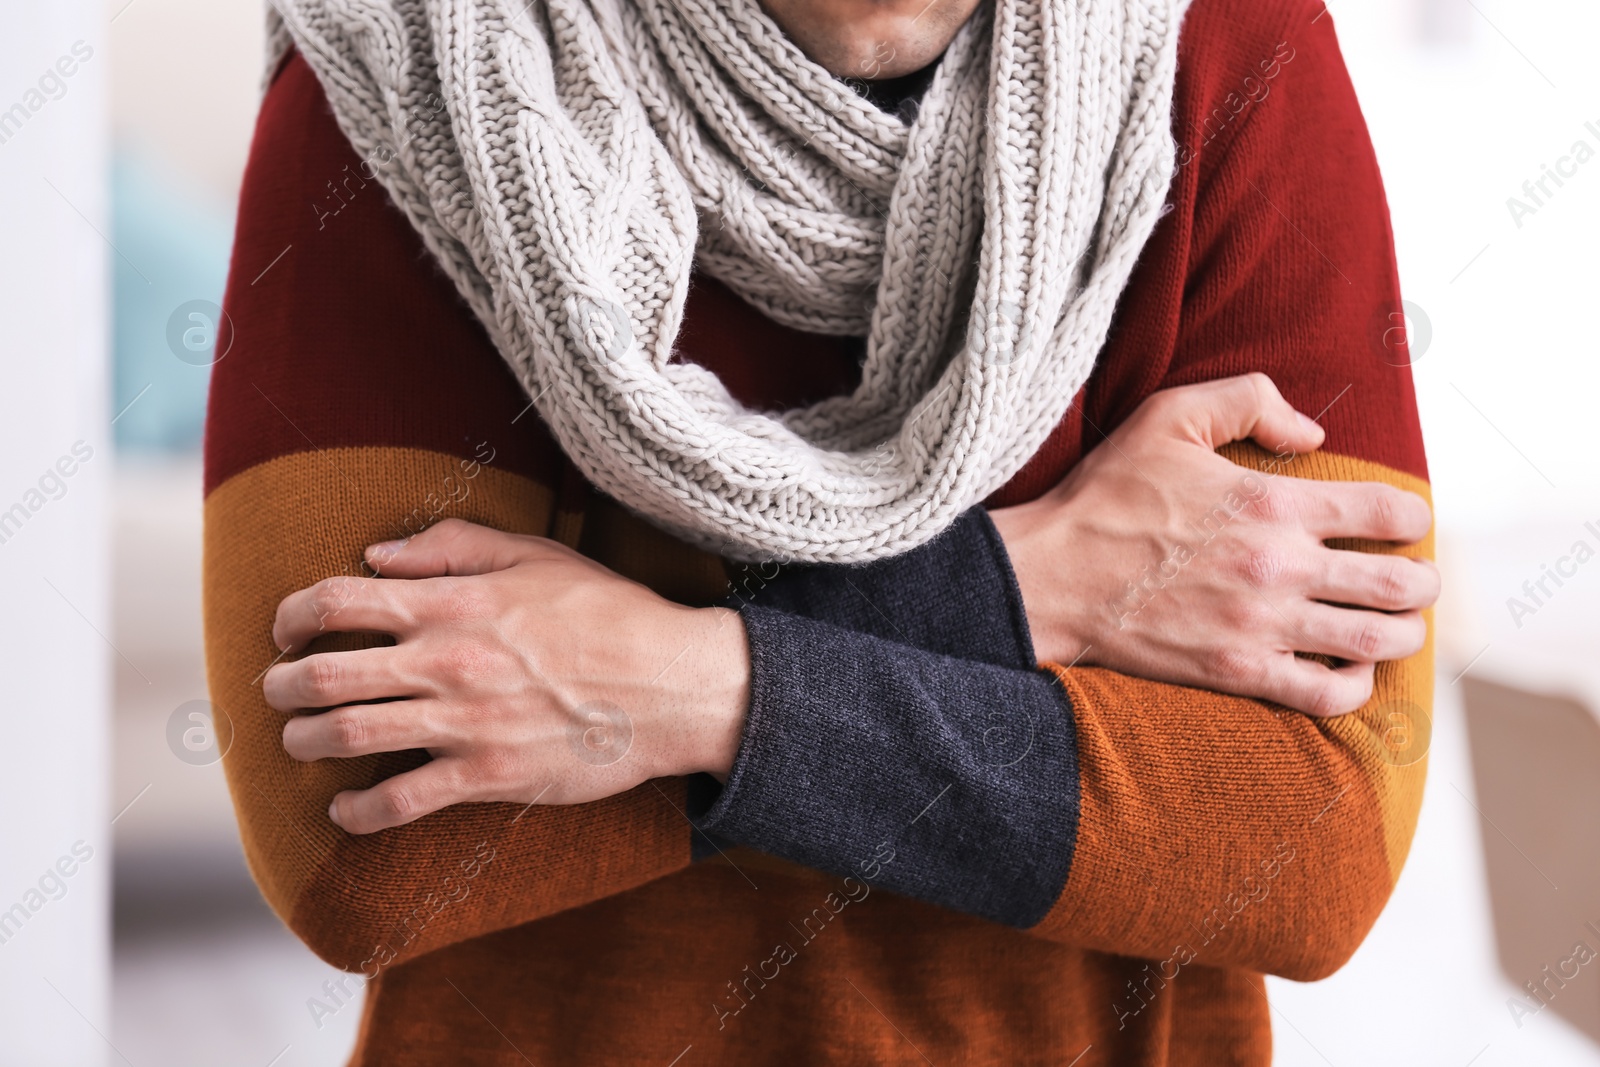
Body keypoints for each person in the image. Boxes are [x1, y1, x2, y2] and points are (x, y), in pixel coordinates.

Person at [203, 0, 1437, 1061]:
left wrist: (687, 685)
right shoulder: (421, 65)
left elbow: (1321, 835)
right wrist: (1031, 588)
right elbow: (351, 840)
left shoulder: (1218, 46)